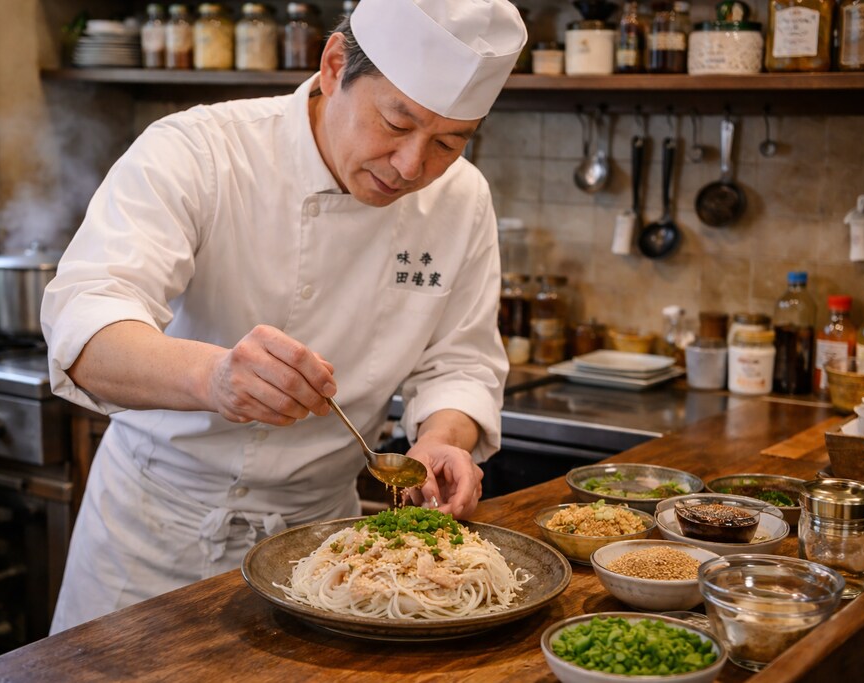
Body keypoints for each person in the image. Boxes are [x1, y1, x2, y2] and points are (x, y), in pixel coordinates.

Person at [41, 0, 526, 633]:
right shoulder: (200, 150)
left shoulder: (461, 198)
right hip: (151, 540)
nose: (412, 167)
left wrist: (439, 442)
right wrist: (212, 377)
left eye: (447, 143)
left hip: (327, 554)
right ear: (332, 65)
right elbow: (87, 325)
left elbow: (460, 362)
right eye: (395, 121)